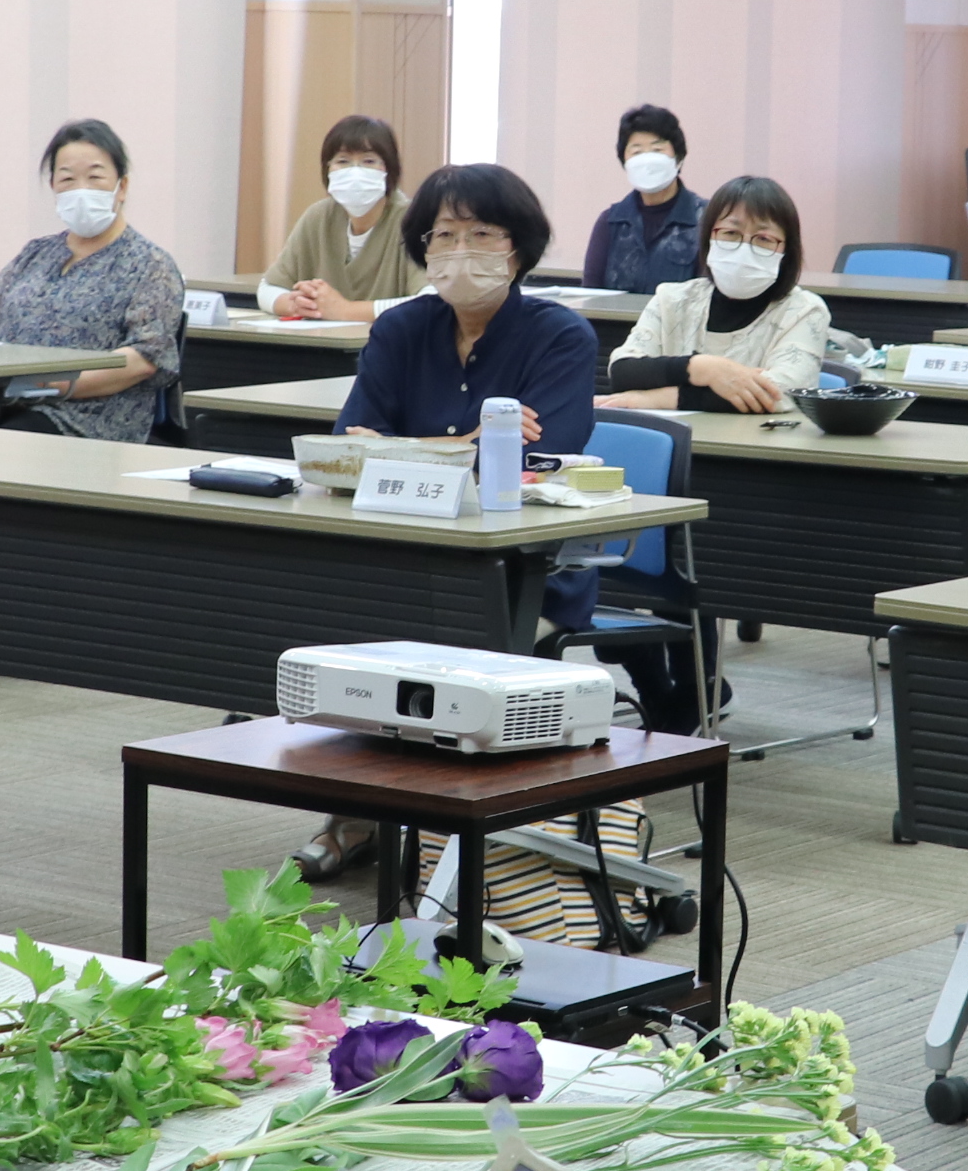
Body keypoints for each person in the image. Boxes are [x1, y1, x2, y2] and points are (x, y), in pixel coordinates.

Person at [298, 167, 623, 877]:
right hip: (402, 553)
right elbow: (349, 447)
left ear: (519, 248)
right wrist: (465, 443)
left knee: (428, 649)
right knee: (344, 623)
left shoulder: (560, 336)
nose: (459, 251)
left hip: (520, 570)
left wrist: (404, 447)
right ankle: (365, 808)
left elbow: (538, 461)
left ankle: (435, 831)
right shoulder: (401, 328)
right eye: (442, 235)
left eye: (481, 234)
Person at [0, 117, 185, 441]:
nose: (80, 190)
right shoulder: (35, 253)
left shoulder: (150, 264)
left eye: (95, 177)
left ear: (122, 187)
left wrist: (49, 384)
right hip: (0, 402)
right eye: (67, 178)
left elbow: (145, 357)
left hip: (85, 419)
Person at [605, 175, 834, 414]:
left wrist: (660, 398)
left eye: (764, 238)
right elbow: (623, 371)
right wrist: (702, 368)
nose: (745, 247)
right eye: (730, 233)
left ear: (786, 250)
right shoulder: (672, 299)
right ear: (709, 237)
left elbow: (779, 393)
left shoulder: (804, 311)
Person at [259, 111, 422, 321]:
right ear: (327, 170)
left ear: (389, 169)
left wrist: (345, 310)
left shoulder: (413, 220)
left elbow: (428, 302)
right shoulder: (319, 217)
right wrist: (295, 304)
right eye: (343, 161)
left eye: (369, 161)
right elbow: (267, 287)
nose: (355, 172)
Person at [577, 103, 706, 291]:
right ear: (625, 161)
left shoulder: (705, 219)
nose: (647, 160)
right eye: (636, 152)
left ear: (678, 157)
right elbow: (590, 292)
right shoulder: (610, 222)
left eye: (657, 150)